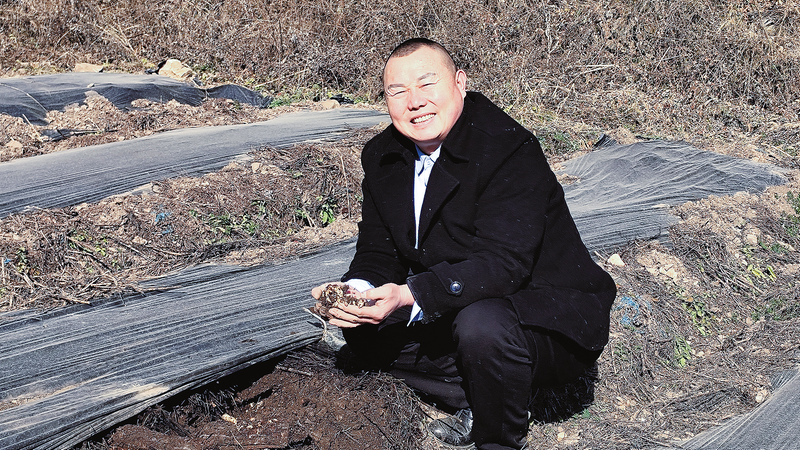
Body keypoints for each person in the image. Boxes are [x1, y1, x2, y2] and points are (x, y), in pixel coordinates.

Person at [311, 38, 616, 450]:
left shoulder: (507, 147)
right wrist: (357, 291)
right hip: (460, 299)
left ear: (460, 82)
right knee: (364, 330)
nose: (414, 102)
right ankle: (483, 391)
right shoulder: (383, 155)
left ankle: (498, 434)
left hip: (544, 313)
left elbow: (504, 264)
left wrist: (409, 294)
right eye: (398, 91)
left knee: (481, 326)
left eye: (427, 84)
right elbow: (378, 250)